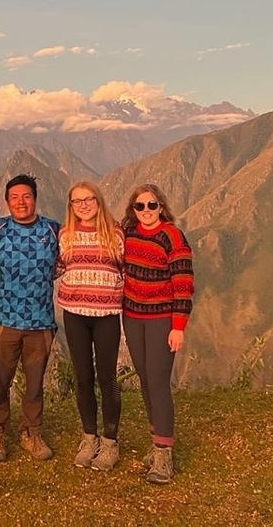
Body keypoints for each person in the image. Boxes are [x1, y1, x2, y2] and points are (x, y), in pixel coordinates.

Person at [120, 183, 194, 485]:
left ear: (161, 207)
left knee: (158, 381)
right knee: (146, 379)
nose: (146, 211)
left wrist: (178, 326)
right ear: (133, 210)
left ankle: (164, 455)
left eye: (152, 206)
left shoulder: (172, 237)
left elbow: (184, 283)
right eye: (140, 206)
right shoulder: (129, 233)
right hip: (132, 316)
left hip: (162, 318)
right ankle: (157, 441)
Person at [0, 174, 60, 462]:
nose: (21, 202)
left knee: (35, 383)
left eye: (26, 196)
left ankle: (33, 433)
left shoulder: (53, 230)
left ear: (35, 199)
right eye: (14, 197)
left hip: (40, 323)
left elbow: (82, 244)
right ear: (6, 202)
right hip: (5, 321)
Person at [56, 180, 124, 471]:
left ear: (99, 200)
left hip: (107, 313)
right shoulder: (65, 234)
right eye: (77, 201)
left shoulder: (115, 233)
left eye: (88, 199)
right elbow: (59, 267)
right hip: (75, 313)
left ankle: (110, 442)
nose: (83, 205)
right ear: (71, 206)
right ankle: (89, 437)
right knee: (83, 376)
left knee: (107, 377)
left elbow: (126, 269)